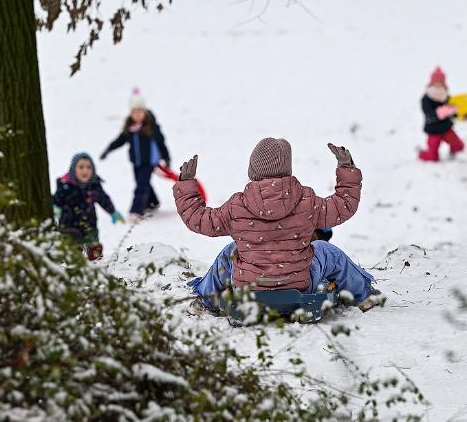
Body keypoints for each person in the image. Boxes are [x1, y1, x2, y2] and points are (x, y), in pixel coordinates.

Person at [173, 138, 383, 315]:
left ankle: (205, 299)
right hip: (300, 284)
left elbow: (199, 219)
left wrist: (187, 184)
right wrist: (347, 170)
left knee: (230, 253)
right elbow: (343, 206)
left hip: (249, 286)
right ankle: (362, 295)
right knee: (326, 250)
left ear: (253, 170)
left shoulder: (237, 206)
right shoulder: (306, 201)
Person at [100, 88, 171, 223]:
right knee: (143, 183)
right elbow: (120, 140)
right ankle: (153, 203)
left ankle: (136, 211)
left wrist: (166, 158)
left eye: (140, 111)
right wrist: (108, 149)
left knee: (140, 186)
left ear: (144, 112)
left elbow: (162, 144)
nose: (137, 115)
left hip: (149, 162)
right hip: (136, 162)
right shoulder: (130, 129)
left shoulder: (151, 127)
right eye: (134, 112)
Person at [53, 152, 124, 260]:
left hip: (89, 225)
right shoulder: (66, 186)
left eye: (88, 167)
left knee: (94, 249)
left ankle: (96, 266)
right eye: (81, 167)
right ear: (73, 169)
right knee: (72, 253)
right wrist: (56, 209)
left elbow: (103, 199)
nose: (85, 171)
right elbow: (57, 200)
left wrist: (112, 212)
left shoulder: (94, 185)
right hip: (69, 227)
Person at [418, 67, 466, 162]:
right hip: (433, 131)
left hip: (446, 128)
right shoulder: (426, 98)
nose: (438, 84)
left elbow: (453, 113)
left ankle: (452, 152)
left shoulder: (447, 97)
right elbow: (429, 114)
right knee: (433, 158)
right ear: (432, 82)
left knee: (459, 146)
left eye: (440, 82)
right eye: (436, 81)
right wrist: (444, 111)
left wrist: (462, 115)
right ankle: (421, 154)